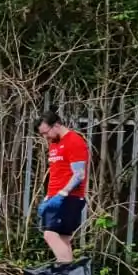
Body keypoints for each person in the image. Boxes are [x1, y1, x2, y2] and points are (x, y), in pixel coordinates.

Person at [37, 111, 90, 265]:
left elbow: (79, 174)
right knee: (63, 237)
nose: (45, 137)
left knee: (50, 235)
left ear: (57, 125)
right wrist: (49, 197)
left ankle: (64, 272)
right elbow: (56, 172)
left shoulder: (74, 141)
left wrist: (63, 193)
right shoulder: (54, 143)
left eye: (46, 132)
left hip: (69, 197)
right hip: (55, 196)